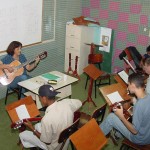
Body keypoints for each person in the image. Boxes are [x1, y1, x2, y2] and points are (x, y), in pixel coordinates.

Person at [19, 84, 82, 150]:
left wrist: (32, 128)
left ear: (44, 98)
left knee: (23, 135)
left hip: (53, 147)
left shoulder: (47, 119)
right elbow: (79, 102)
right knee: (38, 125)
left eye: (39, 97)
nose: (39, 99)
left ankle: (37, 148)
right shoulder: (66, 102)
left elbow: (47, 142)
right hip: (65, 140)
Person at [100, 73, 150, 145]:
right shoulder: (148, 95)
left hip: (139, 139)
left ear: (133, 86)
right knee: (127, 113)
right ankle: (117, 134)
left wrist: (121, 117)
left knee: (111, 117)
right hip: (147, 135)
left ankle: (94, 138)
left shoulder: (139, 105)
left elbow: (134, 131)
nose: (127, 87)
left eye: (128, 84)